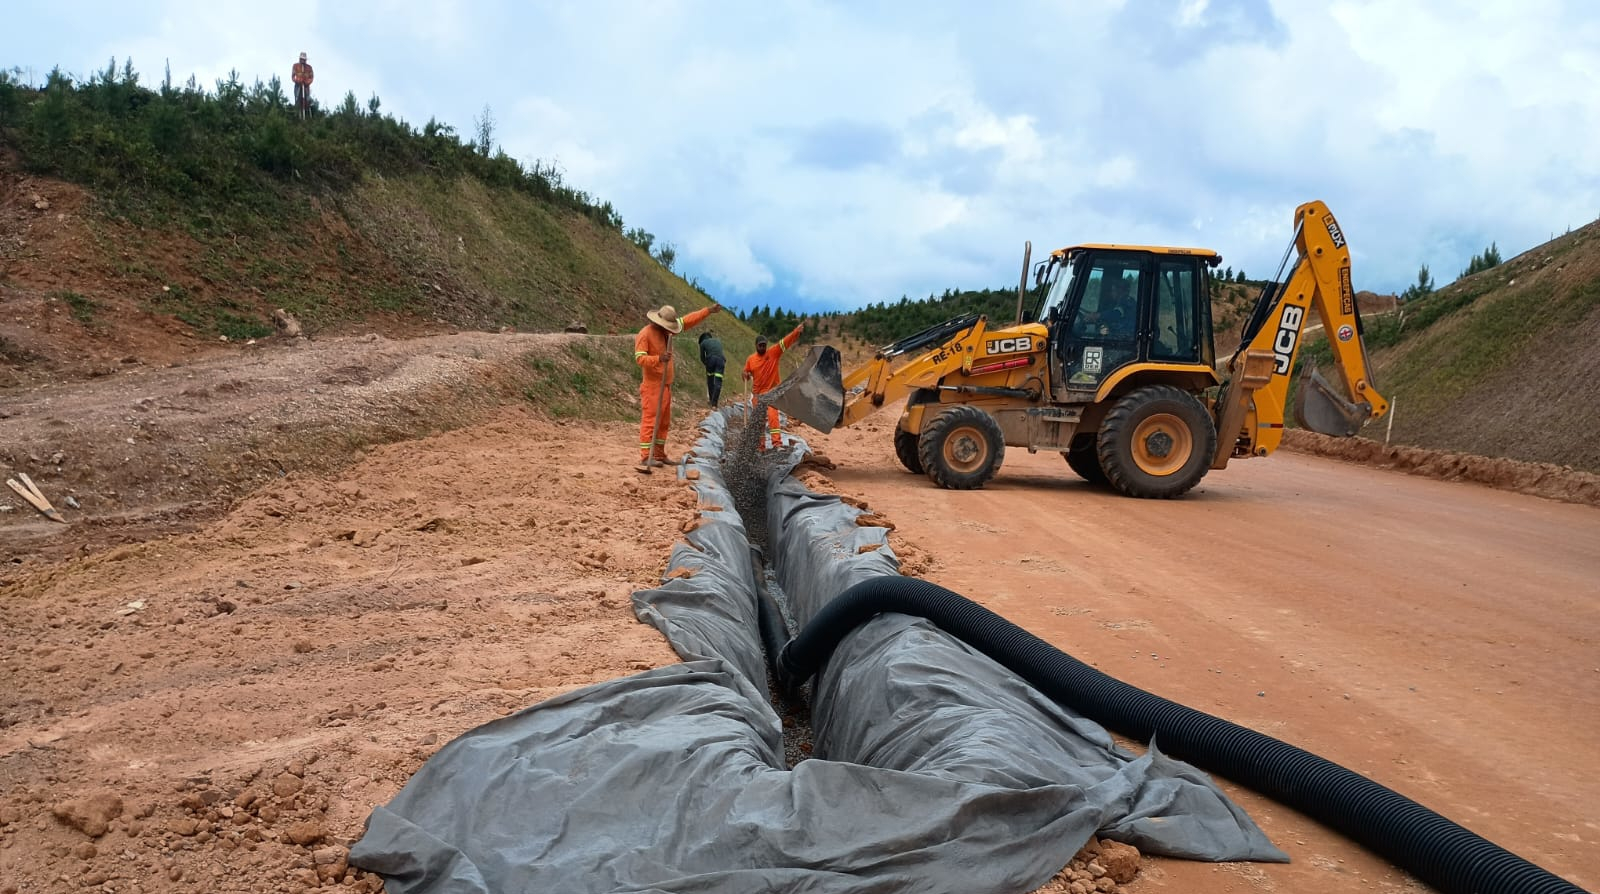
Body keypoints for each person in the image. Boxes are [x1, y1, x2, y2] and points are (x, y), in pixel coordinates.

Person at [635, 303, 719, 472]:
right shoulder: (645, 334)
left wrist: (707, 310)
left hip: (666, 385)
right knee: (651, 421)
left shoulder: (667, 332)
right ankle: (646, 456)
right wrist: (658, 359)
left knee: (664, 422)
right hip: (652, 386)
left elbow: (688, 320)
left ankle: (658, 454)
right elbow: (640, 359)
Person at [742, 321, 805, 449]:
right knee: (758, 422)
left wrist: (796, 332)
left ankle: (777, 444)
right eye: (760, 345)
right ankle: (760, 446)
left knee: (773, 417)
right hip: (757, 395)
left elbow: (785, 342)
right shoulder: (751, 359)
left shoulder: (773, 353)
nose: (762, 347)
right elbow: (746, 372)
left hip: (771, 393)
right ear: (756, 346)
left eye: (764, 345)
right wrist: (745, 374)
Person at [697, 330, 726, 408]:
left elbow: (702, 357)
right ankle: (714, 404)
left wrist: (706, 365)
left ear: (702, 339)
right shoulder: (717, 341)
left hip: (711, 360)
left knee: (710, 381)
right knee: (718, 382)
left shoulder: (703, 343)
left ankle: (711, 400)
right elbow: (720, 352)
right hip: (721, 360)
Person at [291, 52, 314, 119]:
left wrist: (307, 82)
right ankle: (297, 116)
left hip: (306, 86)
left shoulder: (309, 68)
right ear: (299, 59)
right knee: (297, 98)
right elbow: (293, 76)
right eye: (302, 59)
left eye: (304, 59)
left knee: (307, 99)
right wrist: (297, 80)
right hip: (298, 85)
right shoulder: (295, 66)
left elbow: (311, 77)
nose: (303, 60)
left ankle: (307, 116)